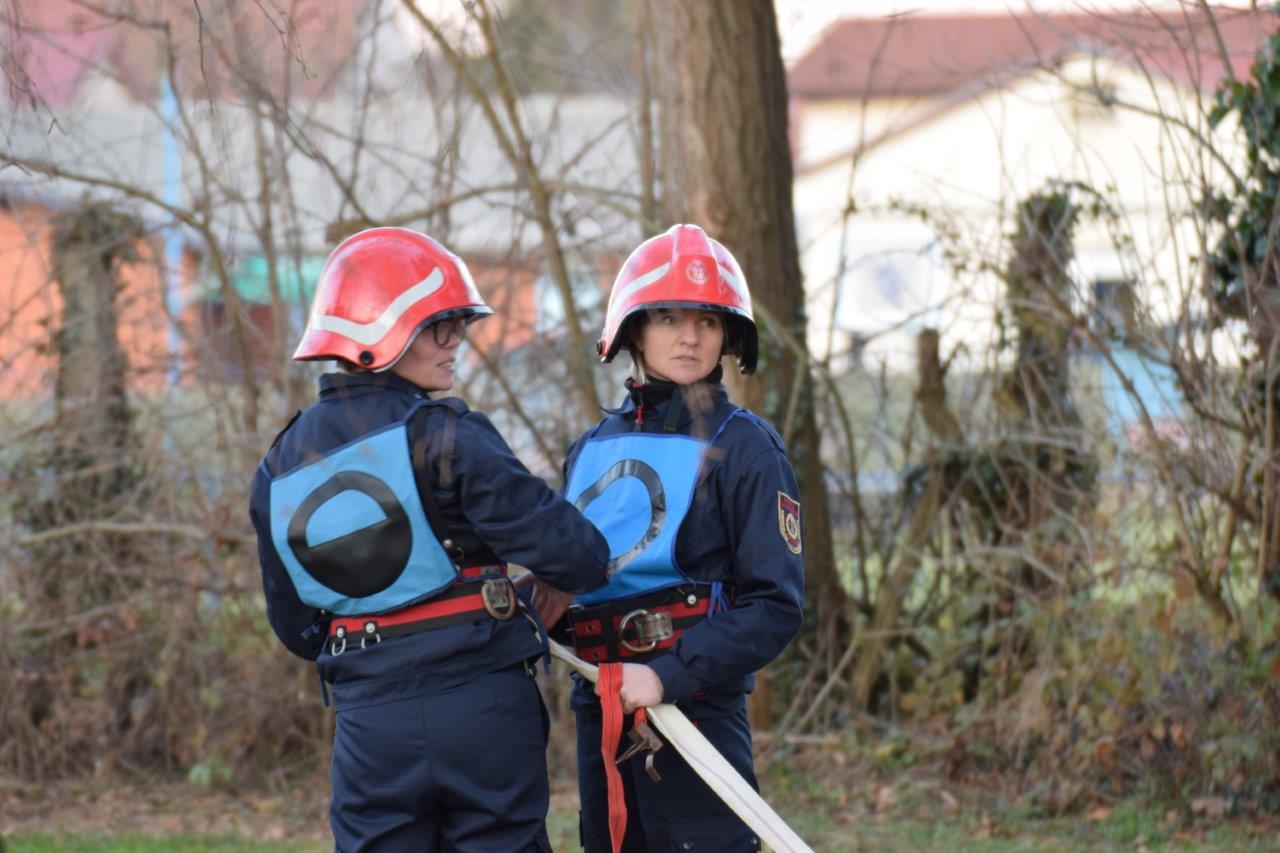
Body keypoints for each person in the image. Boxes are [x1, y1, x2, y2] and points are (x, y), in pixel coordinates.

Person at [247, 226, 609, 852]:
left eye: (457, 323)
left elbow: (299, 630)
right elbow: (583, 556)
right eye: (435, 325)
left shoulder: (278, 468)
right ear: (372, 331)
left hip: (369, 728)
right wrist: (530, 598)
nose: (455, 341)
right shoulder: (452, 437)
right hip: (484, 713)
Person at [554, 223, 806, 851]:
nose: (689, 336)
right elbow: (572, 589)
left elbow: (775, 604)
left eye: (707, 320)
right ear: (635, 328)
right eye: (667, 317)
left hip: (694, 711)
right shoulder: (588, 451)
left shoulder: (748, 448)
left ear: (728, 334)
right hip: (601, 708)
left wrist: (668, 674)